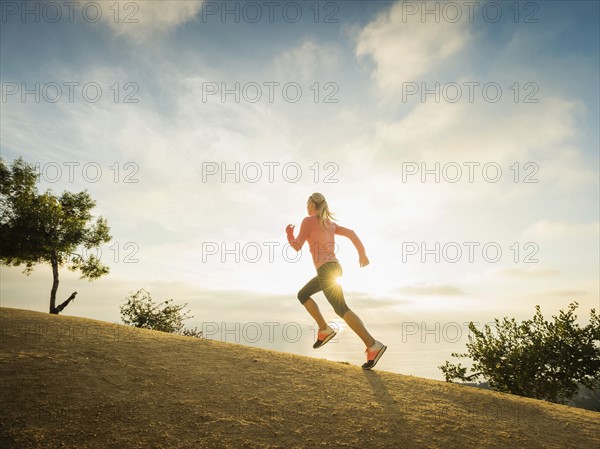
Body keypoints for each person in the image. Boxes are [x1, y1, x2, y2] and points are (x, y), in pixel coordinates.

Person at [285, 192, 386, 370]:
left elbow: (297, 246)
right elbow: (352, 234)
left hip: (326, 270)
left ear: (310, 205)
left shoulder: (308, 221)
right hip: (334, 268)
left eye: (307, 203)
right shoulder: (329, 224)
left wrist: (289, 234)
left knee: (341, 308)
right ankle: (325, 330)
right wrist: (362, 254)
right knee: (303, 295)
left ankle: (372, 345)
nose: (306, 207)